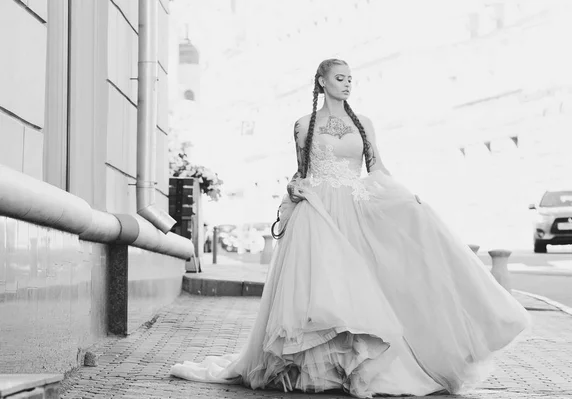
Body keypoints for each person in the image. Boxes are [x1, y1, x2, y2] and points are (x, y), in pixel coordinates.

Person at [170, 59, 531, 398]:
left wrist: (405, 199)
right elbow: (301, 171)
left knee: (364, 285)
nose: (347, 84)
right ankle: (319, 366)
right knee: (326, 285)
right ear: (322, 81)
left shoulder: (364, 123)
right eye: (340, 78)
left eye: (350, 79)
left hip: (357, 207)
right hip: (319, 210)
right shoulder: (302, 124)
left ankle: (359, 365)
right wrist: (292, 188)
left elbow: (377, 167)